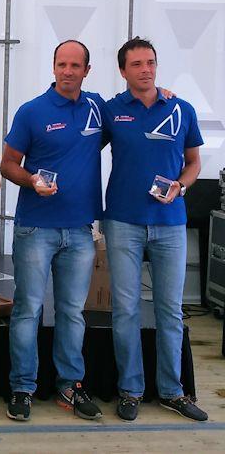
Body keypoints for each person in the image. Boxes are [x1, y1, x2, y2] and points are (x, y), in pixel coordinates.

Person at [102, 37, 207, 422]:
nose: (145, 69)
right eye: (137, 64)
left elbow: (194, 161)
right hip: (122, 223)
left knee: (169, 310)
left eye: (150, 62)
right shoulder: (111, 111)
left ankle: (172, 391)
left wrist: (181, 186)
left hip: (170, 224)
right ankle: (130, 389)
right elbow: (79, 145)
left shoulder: (181, 108)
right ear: (123, 71)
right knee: (126, 310)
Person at [0, 40, 104, 422]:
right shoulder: (32, 111)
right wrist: (31, 180)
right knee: (28, 309)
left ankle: (69, 386)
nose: (68, 71)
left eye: (76, 65)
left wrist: (164, 93)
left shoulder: (97, 108)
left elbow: (134, 109)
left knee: (73, 312)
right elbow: (7, 164)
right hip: (36, 228)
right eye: (62, 63)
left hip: (79, 231)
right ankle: (23, 387)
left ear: (87, 70)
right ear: (53, 67)